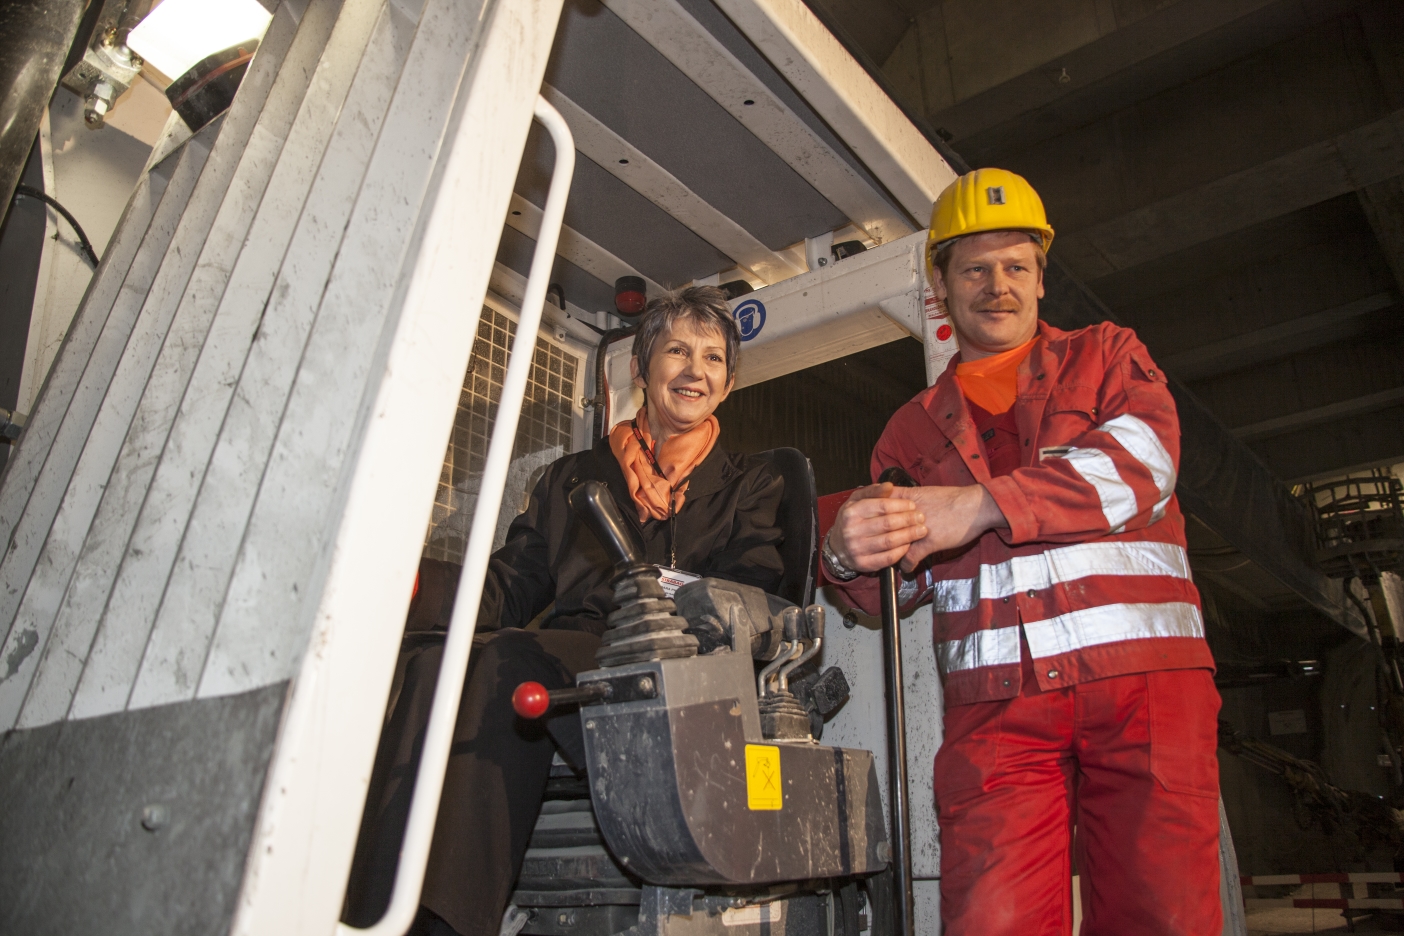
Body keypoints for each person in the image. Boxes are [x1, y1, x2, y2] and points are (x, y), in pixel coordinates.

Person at [823, 168, 1221, 935]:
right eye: (973, 268)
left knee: (1164, 915)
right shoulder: (909, 431)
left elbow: (1142, 465)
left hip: (1143, 690)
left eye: (1015, 267)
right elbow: (890, 592)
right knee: (990, 921)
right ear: (939, 287)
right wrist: (845, 556)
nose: (996, 286)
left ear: (1041, 279)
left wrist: (975, 505)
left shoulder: (1108, 356)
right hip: (999, 713)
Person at [343, 286, 785, 936]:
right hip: (572, 664)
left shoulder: (752, 486)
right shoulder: (571, 479)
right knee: (432, 656)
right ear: (641, 368)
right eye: (678, 351)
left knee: (510, 657)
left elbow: (757, 600)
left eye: (713, 358)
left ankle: (445, 923)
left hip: (680, 676)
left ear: (729, 381)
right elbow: (508, 589)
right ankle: (372, 909)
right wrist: (404, 586)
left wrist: (678, 605)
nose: (695, 370)